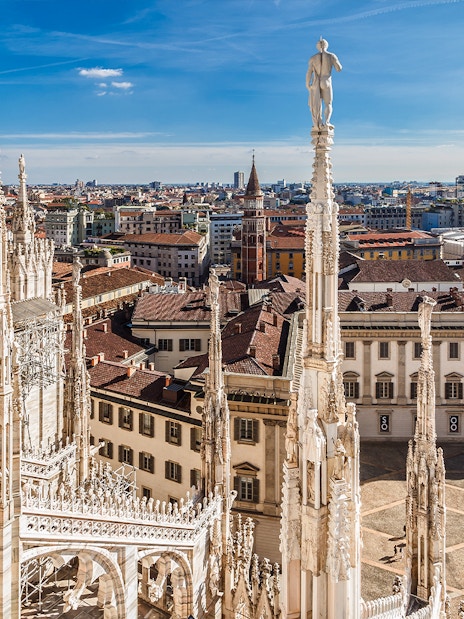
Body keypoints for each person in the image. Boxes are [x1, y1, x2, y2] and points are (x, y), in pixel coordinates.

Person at [306, 38, 342, 128]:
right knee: (328, 104)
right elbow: (339, 69)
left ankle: (318, 123)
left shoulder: (313, 58)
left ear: (317, 46)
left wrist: (307, 84)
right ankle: (327, 122)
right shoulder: (331, 56)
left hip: (316, 82)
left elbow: (309, 72)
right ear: (327, 45)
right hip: (326, 81)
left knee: (317, 104)